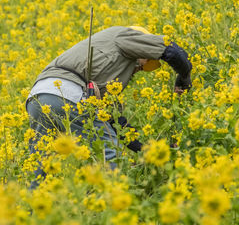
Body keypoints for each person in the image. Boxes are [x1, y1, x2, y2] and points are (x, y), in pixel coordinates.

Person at [26, 26, 192, 186]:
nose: (139, 69)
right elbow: (173, 52)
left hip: (38, 97)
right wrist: (184, 77)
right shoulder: (125, 35)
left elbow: (114, 123)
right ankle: (111, 204)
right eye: (144, 63)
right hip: (70, 94)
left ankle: (34, 210)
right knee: (110, 152)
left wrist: (148, 150)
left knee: (41, 162)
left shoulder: (107, 65)